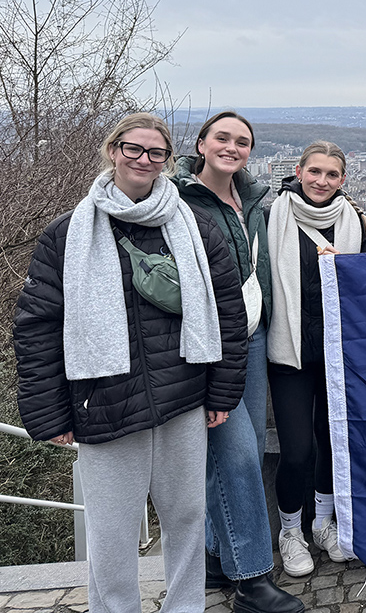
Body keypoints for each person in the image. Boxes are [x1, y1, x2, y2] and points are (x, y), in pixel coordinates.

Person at [14, 113, 247, 613]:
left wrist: (223, 392)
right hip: (104, 399)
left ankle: (185, 606)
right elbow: (38, 325)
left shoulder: (193, 225)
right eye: (133, 149)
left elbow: (227, 309)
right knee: (112, 527)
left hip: (183, 394)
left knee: (186, 515)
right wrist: (48, 411)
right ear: (112, 150)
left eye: (155, 152)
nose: (143, 160)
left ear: (167, 158)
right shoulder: (68, 234)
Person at [174, 111, 303, 613]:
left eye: (242, 141)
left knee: (236, 449)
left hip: (251, 338)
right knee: (240, 458)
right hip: (208, 348)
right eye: (222, 138)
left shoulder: (252, 198)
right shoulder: (182, 200)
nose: (232, 147)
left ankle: (213, 554)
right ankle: (251, 578)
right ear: (201, 143)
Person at [267, 141, 366, 576]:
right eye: (315, 172)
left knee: (333, 444)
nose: (322, 181)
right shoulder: (272, 215)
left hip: (336, 349)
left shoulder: (356, 222)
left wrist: (345, 268)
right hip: (288, 350)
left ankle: (325, 523)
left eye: (332, 175)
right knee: (296, 450)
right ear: (299, 170)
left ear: (343, 179)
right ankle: (290, 529)